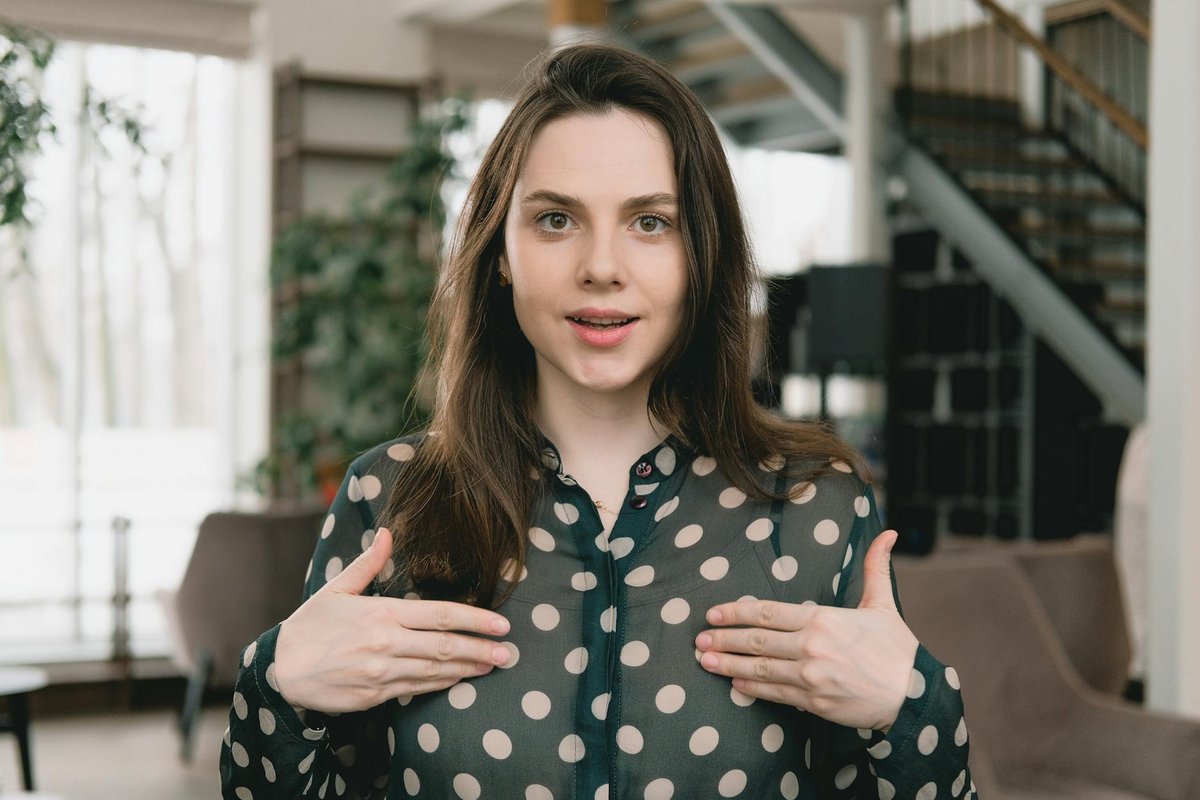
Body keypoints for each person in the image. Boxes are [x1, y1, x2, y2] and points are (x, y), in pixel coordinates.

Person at [220, 42, 974, 800]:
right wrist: (277, 688)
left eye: (651, 222)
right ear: (503, 251)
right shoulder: (388, 500)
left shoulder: (816, 508)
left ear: (700, 254)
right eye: (556, 219)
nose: (602, 265)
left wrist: (911, 713)